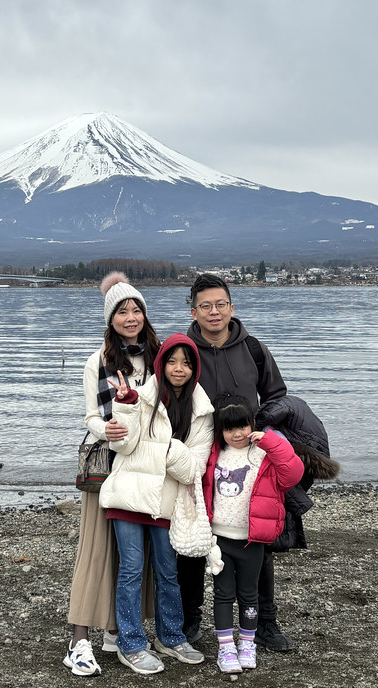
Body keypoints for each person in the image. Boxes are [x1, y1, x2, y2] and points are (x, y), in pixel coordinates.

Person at [180, 272, 305, 650]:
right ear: (194, 311)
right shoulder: (184, 351)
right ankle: (189, 623)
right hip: (201, 456)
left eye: (220, 304)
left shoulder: (253, 348)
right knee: (193, 539)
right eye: (205, 306)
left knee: (256, 539)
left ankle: (266, 623)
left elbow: (277, 397)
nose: (214, 311)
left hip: (247, 455)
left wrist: (255, 435)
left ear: (232, 307)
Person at [99, 333, 213, 674]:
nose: (179, 369)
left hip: (166, 502)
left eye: (186, 362)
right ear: (161, 364)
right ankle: (131, 644)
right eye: (172, 361)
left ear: (195, 368)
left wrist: (164, 450)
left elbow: (194, 468)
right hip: (129, 496)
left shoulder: (202, 411)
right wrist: (126, 404)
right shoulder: (142, 398)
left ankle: (171, 637)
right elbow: (124, 446)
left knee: (168, 572)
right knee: (131, 571)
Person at [64, 272, 160, 676]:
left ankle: (118, 629)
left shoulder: (158, 357)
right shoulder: (96, 361)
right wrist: (108, 428)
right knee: (97, 548)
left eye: (136, 308)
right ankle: (77, 640)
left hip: (148, 465)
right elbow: (90, 415)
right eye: (122, 311)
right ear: (111, 319)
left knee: (138, 553)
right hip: (107, 466)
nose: (131, 316)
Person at [202, 394, 305, 674]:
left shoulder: (264, 454)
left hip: (252, 540)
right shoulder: (215, 454)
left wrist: (271, 441)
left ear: (252, 425)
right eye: (229, 428)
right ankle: (225, 647)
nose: (237, 434)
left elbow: (293, 473)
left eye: (243, 427)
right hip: (219, 540)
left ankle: (247, 643)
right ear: (221, 431)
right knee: (223, 595)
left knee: (249, 595)